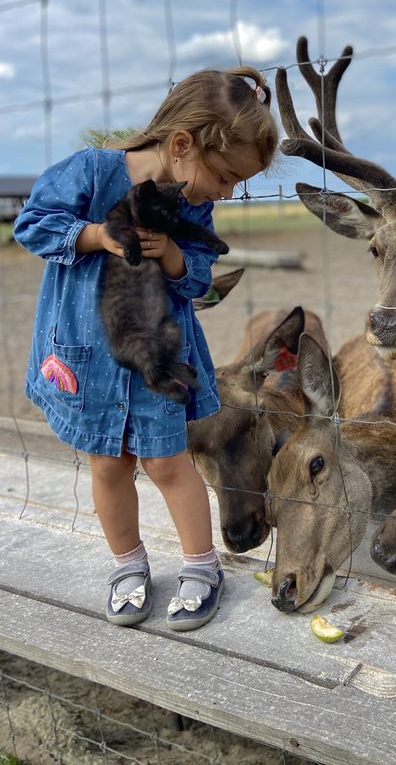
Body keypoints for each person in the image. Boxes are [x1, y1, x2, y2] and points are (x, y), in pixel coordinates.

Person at [14, 66, 278, 631]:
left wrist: (173, 257)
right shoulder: (91, 171)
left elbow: (199, 276)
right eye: (227, 176)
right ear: (183, 145)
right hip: (88, 355)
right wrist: (96, 236)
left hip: (157, 358)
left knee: (167, 462)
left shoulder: (192, 206)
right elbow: (32, 224)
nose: (227, 193)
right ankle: (128, 567)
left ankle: (202, 567)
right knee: (107, 464)